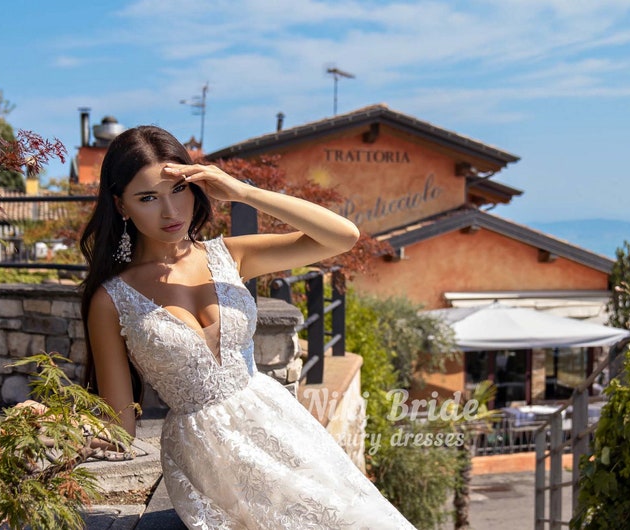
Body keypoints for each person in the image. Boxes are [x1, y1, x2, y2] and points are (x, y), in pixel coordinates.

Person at [79, 125, 416, 529]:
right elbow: (120, 427)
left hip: (278, 424)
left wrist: (241, 191)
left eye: (180, 190)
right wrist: (47, 429)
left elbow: (342, 236)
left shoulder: (230, 256)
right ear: (121, 205)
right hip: (207, 456)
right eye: (148, 198)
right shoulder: (111, 299)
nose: (170, 212)